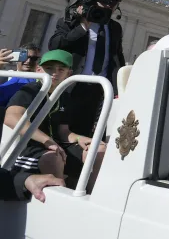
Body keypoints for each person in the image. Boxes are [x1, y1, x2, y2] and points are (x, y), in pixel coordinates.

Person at [4, 50, 106, 193]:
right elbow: (11, 117)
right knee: (54, 157)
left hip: (56, 145)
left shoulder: (64, 97)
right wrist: (47, 141)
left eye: (61, 69)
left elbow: (63, 132)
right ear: (39, 70)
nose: (55, 73)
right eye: (49, 68)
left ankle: (91, 195)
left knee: (98, 149)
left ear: (68, 74)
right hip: (27, 147)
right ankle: (59, 198)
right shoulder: (29, 91)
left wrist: (79, 138)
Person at [48, 0, 125, 137]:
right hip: (72, 86)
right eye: (106, 0)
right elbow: (55, 45)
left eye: (114, 2)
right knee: (61, 130)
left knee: (89, 133)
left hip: (100, 89)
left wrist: (118, 87)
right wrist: (83, 26)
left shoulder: (115, 28)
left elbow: (117, 57)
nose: (109, 5)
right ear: (96, 0)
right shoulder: (73, 21)